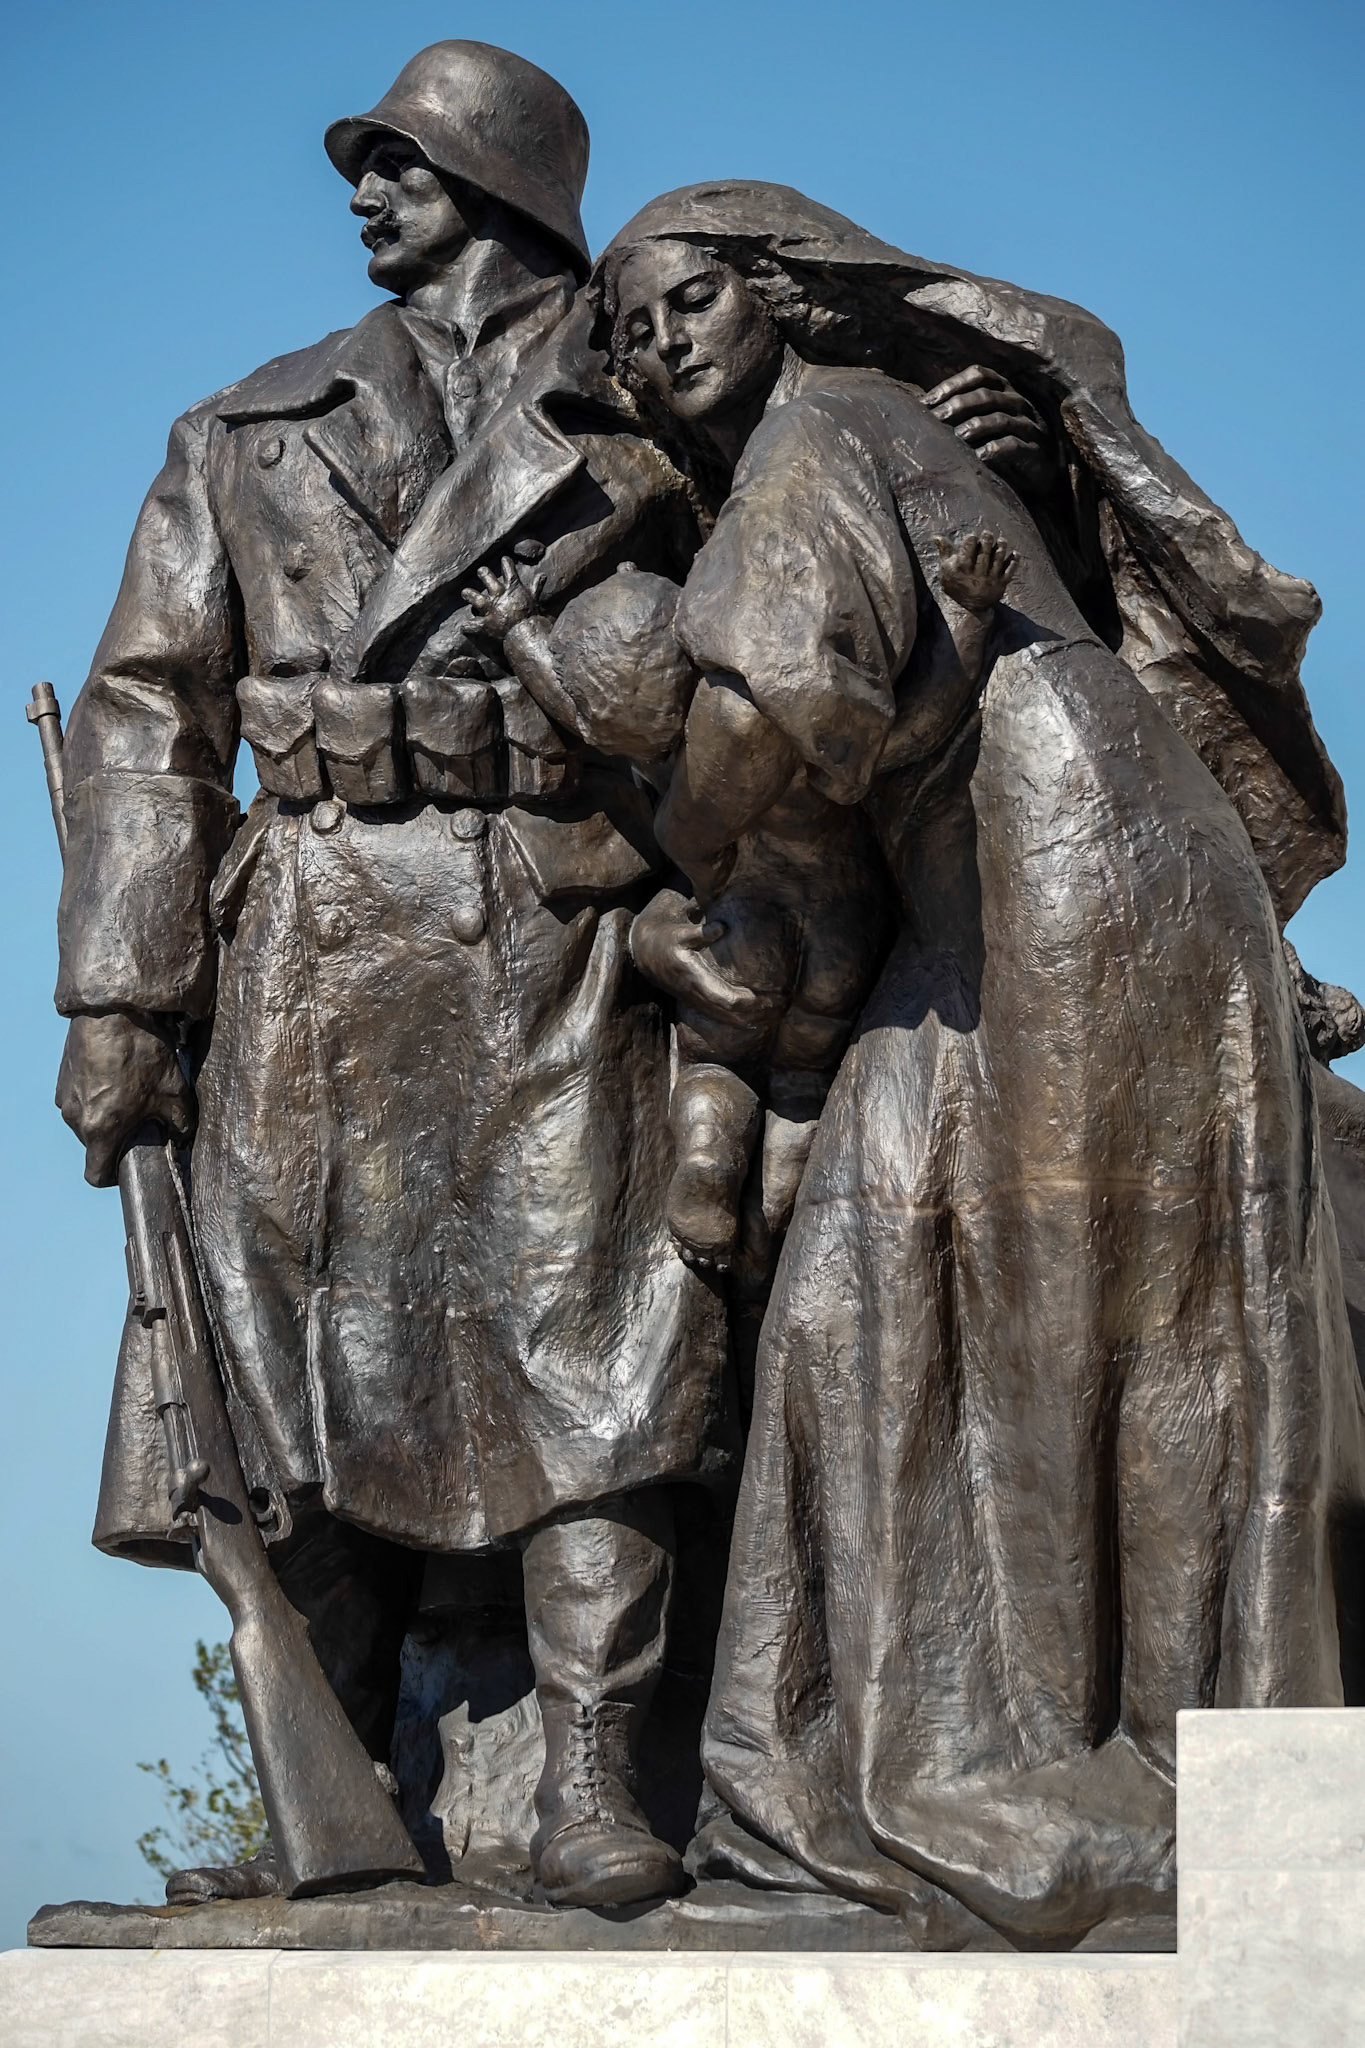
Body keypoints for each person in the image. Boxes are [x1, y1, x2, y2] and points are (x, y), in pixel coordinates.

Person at [589, 185, 1365, 1948]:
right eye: (631, 330)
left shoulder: (821, 436)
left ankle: (1121, 1772)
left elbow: (770, 711)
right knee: (882, 1280)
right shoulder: (872, 431)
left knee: (1108, 1313)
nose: (662, 343)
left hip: (1068, 881)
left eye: (690, 297)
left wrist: (667, 839)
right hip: (1049, 882)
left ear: (780, 292)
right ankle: (979, 1743)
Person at [51, 45, 734, 1911]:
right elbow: (145, 718)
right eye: (364, 165)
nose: (362, 191)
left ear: (501, 183)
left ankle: (590, 1783)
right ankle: (335, 1791)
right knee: (282, 1367)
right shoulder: (246, 427)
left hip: (556, 913)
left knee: (595, 1343)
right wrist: (121, 1000)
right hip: (313, 938)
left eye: (402, 162)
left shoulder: (652, 405)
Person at [464, 530, 1016, 1275]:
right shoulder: (787, 729)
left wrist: (515, 625)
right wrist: (970, 611)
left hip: (737, 927)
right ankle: (780, 1207)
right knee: (802, 1084)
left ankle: (707, 1158)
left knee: (714, 1064)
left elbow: (575, 708)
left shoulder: (656, 755)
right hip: (841, 933)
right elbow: (920, 722)